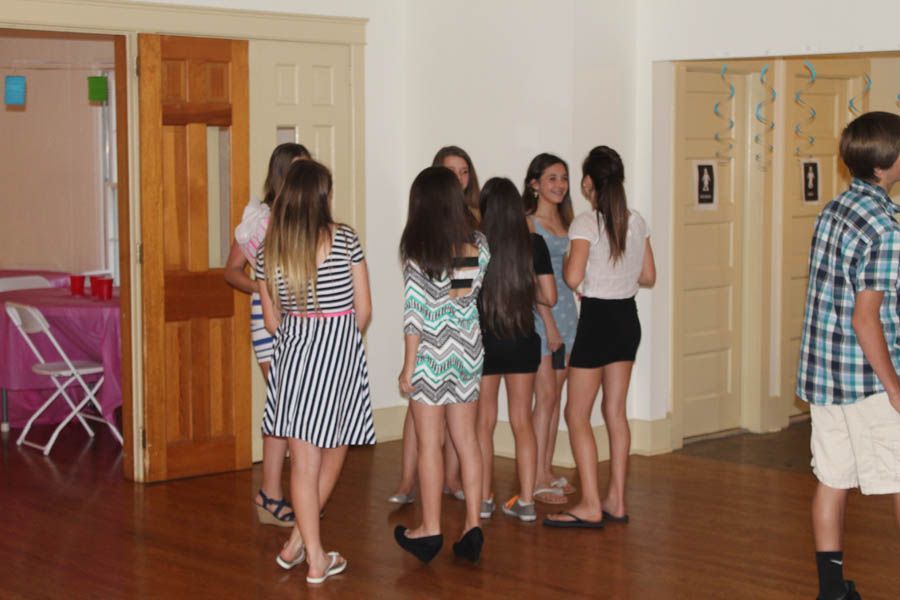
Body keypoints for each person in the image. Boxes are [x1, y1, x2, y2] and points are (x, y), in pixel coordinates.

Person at [795, 111, 900, 600]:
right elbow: (866, 318)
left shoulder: (835, 209)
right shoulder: (886, 228)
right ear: (888, 163)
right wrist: (896, 388)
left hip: (824, 376)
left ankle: (832, 591)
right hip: (868, 382)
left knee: (831, 480)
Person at [257, 160, 375, 584]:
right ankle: (317, 558)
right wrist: (338, 336)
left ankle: (297, 545)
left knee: (302, 464)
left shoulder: (269, 248)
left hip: (293, 356)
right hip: (338, 355)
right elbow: (364, 310)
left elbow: (272, 323)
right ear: (321, 195)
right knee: (334, 450)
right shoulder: (344, 238)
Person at [544, 145, 655, 529]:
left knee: (576, 413)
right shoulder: (636, 221)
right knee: (615, 412)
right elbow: (649, 276)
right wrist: (617, 273)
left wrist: (590, 273)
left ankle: (590, 502)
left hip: (597, 319)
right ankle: (616, 500)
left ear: (589, 182)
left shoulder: (586, 224)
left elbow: (572, 278)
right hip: (627, 317)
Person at [395, 166, 488, 564]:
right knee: (467, 440)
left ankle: (429, 528)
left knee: (429, 441)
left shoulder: (418, 248)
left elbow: (416, 311)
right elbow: (460, 298)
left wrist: (408, 365)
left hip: (430, 356)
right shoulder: (477, 244)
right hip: (467, 350)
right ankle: (472, 525)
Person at [224, 142, 310, 527]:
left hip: (304, 318)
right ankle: (278, 494)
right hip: (268, 320)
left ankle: (276, 494)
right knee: (285, 406)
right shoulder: (261, 220)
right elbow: (232, 271)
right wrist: (261, 289)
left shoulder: (309, 218)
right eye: (294, 170)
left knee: (289, 409)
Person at [476, 177, 557, 522]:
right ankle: (525, 501)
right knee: (522, 420)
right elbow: (550, 297)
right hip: (523, 340)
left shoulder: (475, 245)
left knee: (484, 422)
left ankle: (482, 499)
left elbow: (462, 295)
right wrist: (524, 289)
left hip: (485, 341)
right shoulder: (534, 244)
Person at [524, 153, 578, 504]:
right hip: (542, 317)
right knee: (544, 397)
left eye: (563, 178)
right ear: (535, 185)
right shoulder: (528, 224)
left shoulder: (569, 222)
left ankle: (545, 466)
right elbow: (529, 281)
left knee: (555, 396)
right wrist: (548, 324)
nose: (559, 185)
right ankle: (536, 478)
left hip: (569, 314)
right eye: (552, 179)